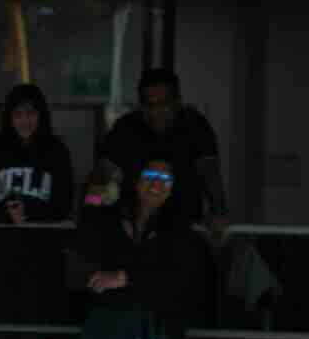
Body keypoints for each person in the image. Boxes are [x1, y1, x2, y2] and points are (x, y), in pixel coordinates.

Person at [74, 153, 216, 339]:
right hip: (109, 324)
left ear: (172, 189)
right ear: (137, 182)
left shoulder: (181, 229)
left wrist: (124, 277)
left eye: (165, 179)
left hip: (159, 330)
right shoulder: (113, 218)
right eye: (150, 174)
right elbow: (87, 225)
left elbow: (176, 278)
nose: (156, 183)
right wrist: (95, 194)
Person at [0, 83, 72, 339]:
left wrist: (32, 214)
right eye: (18, 114)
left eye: (31, 114)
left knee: (39, 332)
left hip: (42, 255)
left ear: (41, 116)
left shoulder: (56, 151)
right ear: (9, 117)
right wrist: (5, 214)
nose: (25, 121)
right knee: (1, 329)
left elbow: (65, 202)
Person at [88, 68, 227, 226]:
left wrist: (219, 214)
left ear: (177, 102)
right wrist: (93, 212)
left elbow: (210, 176)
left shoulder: (195, 127)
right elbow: (101, 180)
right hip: (132, 227)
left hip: (182, 227)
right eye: (149, 105)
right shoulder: (125, 128)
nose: (156, 112)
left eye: (163, 104)